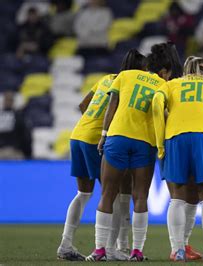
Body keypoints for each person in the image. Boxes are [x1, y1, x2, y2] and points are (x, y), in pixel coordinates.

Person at [86, 43, 182, 262]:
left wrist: (103, 134)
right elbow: (165, 113)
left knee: (108, 194)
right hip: (144, 142)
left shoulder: (126, 75)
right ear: (163, 70)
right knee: (140, 196)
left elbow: (112, 105)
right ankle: (137, 251)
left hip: (118, 136)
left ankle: (100, 249)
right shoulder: (163, 84)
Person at [57, 49, 146, 261]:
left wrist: (92, 123)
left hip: (78, 135)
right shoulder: (129, 85)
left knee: (83, 194)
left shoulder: (107, 79)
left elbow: (83, 105)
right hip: (95, 141)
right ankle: (111, 248)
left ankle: (66, 244)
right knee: (111, 195)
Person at [152, 56, 203, 262]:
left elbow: (156, 103)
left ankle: (177, 250)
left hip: (175, 136)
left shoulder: (172, 84)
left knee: (177, 196)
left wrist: (160, 141)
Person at [166, 56, 203, 261]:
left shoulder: (173, 87)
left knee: (192, 197)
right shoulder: (174, 86)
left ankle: (182, 246)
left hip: (177, 139)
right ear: (190, 70)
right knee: (179, 195)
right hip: (180, 139)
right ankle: (177, 248)